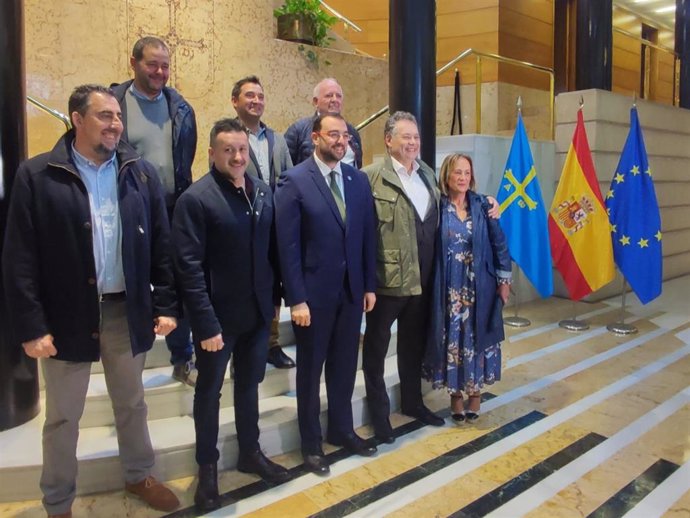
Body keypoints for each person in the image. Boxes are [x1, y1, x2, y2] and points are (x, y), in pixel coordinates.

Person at [2, 84, 180, 517]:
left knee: (132, 401)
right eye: (104, 115)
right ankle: (58, 502)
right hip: (66, 316)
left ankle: (139, 474)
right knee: (63, 417)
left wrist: (167, 304)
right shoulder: (39, 174)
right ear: (77, 120)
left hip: (124, 308)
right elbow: (19, 257)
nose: (115, 124)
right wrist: (31, 326)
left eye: (117, 116)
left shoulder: (139, 172)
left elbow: (161, 242)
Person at [172, 118, 290, 511]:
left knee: (249, 385)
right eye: (228, 150)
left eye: (242, 150)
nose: (238, 156)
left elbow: (272, 252)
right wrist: (204, 324)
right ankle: (207, 467)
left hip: (256, 316)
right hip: (216, 323)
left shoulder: (261, 193)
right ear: (212, 153)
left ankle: (250, 452)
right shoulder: (196, 199)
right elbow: (187, 268)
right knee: (209, 394)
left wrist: (275, 301)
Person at [362, 112, 499, 442]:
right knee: (377, 350)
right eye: (405, 137)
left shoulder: (426, 174)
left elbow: (459, 199)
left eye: (416, 137)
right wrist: (366, 283)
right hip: (386, 282)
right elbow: (362, 236)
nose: (412, 143)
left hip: (425, 282)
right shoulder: (370, 178)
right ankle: (380, 416)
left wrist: (488, 202)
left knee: (413, 346)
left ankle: (413, 402)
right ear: (388, 140)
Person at [274, 113, 377, 476]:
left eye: (345, 135)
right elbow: (287, 246)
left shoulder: (357, 179)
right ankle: (311, 443)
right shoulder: (295, 180)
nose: (340, 141)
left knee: (345, 366)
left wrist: (368, 285)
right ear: (315, 137)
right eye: (333, 134)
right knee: (310, 371)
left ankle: (342, 428)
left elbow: (366, 236)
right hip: (313, 300)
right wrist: (296, 298)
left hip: (351, 294)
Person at [111, 36, 199, 386]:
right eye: (152, 64)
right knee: (130, 282)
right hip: (127, 208)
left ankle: (182, 357)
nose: (160, 71)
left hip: (173, 208)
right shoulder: (115, 104)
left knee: (177, 283)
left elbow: (185, 158)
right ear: (133, 63)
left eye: (165, 65)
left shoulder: (181, 108)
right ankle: (127, 364)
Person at [423, 153, 511, 421]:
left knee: (476, 338)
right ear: (447, 176)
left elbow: (499, 243)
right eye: (457, 172)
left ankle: (475, 394)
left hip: (479, 286)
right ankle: (455, 395)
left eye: (467, 173)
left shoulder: (484, 205)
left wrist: (504, 280)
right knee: (453, 341)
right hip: (449, 287)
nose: (462, 178)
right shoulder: (437, 207)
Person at [231, 75, 295, 370]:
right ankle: (243, 343)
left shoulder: (277, 139)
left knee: (273, 284)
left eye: (260, 96)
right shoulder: (228, 135)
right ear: (235, 101)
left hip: (274, 223)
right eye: (249, 96)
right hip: (243, 224)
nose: (256, 101)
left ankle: (271, 344)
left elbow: (289, 178)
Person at [284, 78, 363, 168]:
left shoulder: (352, 132)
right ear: (315, 101)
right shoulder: (298, 130)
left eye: (338, 96)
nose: (334, 99)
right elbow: (285, 168)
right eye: (329, 95)